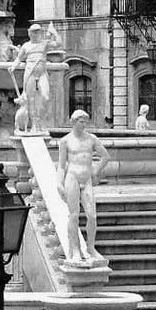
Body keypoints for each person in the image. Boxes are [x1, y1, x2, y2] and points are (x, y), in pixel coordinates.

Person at [58, 111, 112, 262]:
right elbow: (62, 166)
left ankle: (90, 247)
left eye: (85, 122)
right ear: (74, 122)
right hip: (72, 178)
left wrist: (95, 170)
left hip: (86, 179)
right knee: (74, 215)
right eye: (81, 121)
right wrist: (59, 183)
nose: (84, 124)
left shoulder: (91, 139)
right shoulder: (65, 141)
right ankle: (75, 249)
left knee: (92, 216)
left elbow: (106, 156)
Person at [9, 23, 62, 133]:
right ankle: (34, 125)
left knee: (45, 97)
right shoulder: (26, 46)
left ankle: (40, 122)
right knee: (30, 100)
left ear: (40, 33)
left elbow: (59, 43)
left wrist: (53, 31)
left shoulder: (44, 44)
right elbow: (19, 59)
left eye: (37, 32)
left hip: (42, 73)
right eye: (33, 32)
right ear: (29, 33)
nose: (35, 34)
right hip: (30, 73)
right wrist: (13, 66)